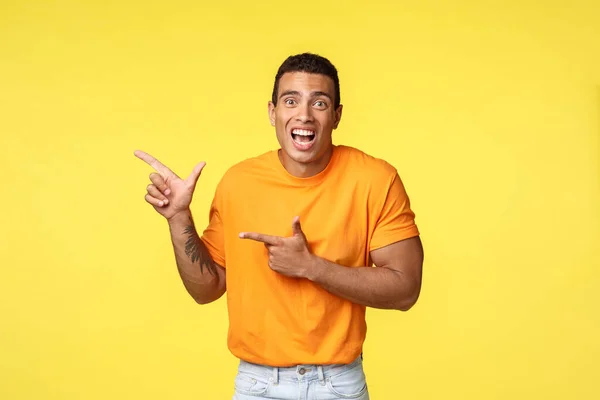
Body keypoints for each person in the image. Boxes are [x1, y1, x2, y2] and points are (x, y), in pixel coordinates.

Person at [134, 53, 424, 400]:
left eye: (319, 102)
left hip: (338, 384)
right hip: (258, 385)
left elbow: (405, 289)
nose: (304, 115)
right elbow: (205, 289)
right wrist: (179, 217)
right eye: (291, 101)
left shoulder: (376, 180)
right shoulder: (238, 182)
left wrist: (311, 267)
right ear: (273, 112)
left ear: (337, 116)